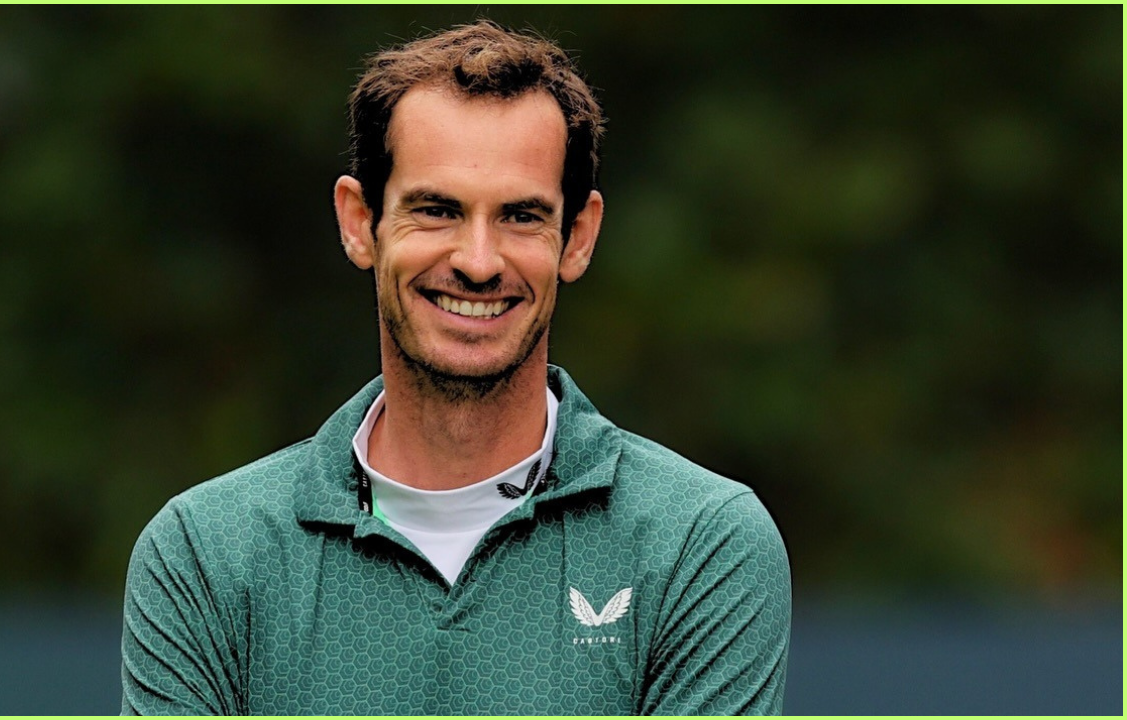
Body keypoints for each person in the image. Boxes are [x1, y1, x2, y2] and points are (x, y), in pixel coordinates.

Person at [121, 20, 790, 715]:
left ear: (578, 237)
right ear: (359, 222)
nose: (477, 261)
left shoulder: (700, 542)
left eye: (521, 216)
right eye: (437, 210)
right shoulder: (207, 554)